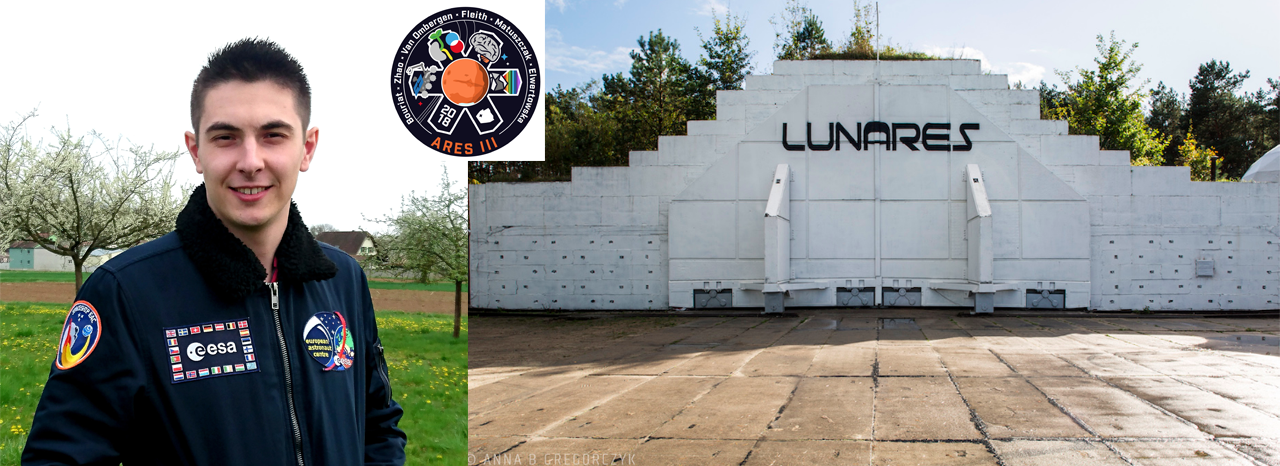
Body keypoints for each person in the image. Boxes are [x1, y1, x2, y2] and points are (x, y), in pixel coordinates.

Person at [23, 38, 407, 465]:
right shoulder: (124, 293)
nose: (250, 161)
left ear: (307, 148)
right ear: (196, 151)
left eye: (273, 135)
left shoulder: (343, 277)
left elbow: (379, 426)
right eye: (226, 137)